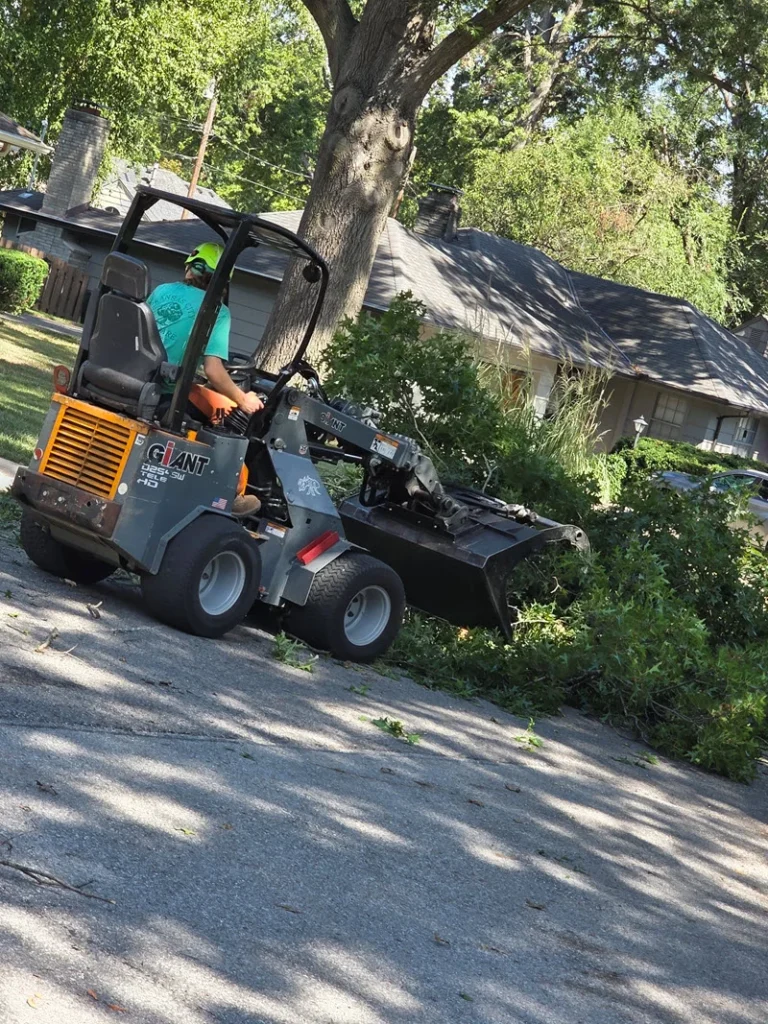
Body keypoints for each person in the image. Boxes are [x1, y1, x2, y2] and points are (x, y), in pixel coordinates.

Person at [147, 243, 263, 518]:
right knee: (227, 414)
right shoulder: (217, 311)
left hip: (141, 377)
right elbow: (213, 370)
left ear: (190, 267)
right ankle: (231, 493)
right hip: (166, 390)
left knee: (201, 394)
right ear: (221, 280)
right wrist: (243, 398)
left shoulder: (161, 291)